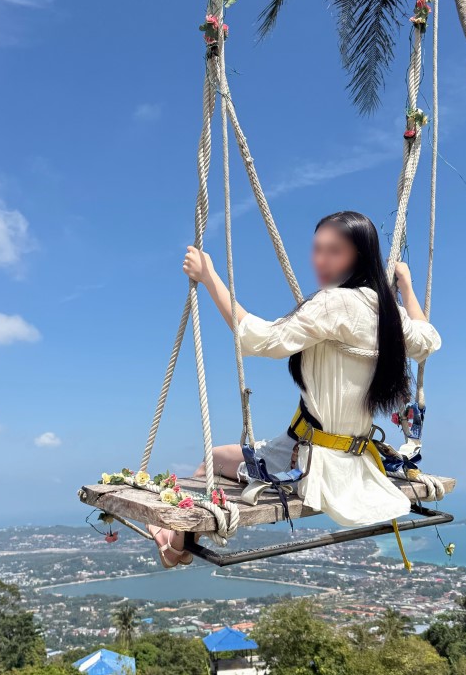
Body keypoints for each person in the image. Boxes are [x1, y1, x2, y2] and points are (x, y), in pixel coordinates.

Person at [148, 210, 441, 568]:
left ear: (360, 256)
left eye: (334, 251)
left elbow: (260, 339)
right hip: (359, 461)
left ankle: (175, 548)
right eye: (317, 249)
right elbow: (428, 339)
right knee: (215, 465)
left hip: (313, 463)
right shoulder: (389, 313)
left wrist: (208, 275)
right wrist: (406, 285)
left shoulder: (334, 302)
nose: (320, 260)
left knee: (210, 462)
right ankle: (175, 546)